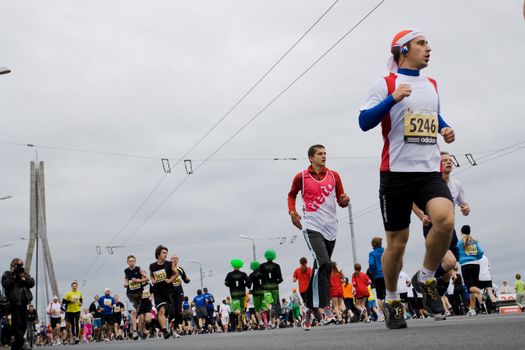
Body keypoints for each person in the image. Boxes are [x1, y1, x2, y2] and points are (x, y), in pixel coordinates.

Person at [359, 29, 455, 329]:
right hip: (396, 174)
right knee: (397, 244)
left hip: (427, 171)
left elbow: (431, 114)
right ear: (402, 50)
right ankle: (392, 300)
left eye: (428, 42)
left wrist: (445, 128)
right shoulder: (385, 83)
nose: (428, 48)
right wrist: (392, 98)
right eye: (422, 43)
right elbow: (364, 122)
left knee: (445, 220)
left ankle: (426, 279)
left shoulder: (432, 84)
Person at [287, 144, 350, 330]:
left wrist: (345, 201)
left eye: (325, 153)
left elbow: (341, 200)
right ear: (311, 158)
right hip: (311, 226)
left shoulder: (334, 176)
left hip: (330, 227)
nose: (324, 156)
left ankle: (308, 308)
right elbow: (291, 195)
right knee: (324, 263)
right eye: (320, 154)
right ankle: (325, 307)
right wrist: (292, 212)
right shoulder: (302, 177)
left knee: (320, 266)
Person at [413, 151, 470, 308]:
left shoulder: (456, 184)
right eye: (444, 160)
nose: (448, 162)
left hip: (450, 229)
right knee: (450, 262)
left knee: (448, 271)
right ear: (436, 164)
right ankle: (422, 278)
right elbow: (412, 201)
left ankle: (434, 301)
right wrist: (421, 215)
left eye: (450, 160)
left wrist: (466, 208)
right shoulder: (429, 185)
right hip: (433, 226)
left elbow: (463, 204)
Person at [2, 258, 35, 350]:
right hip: (13, 303)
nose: (20, 267)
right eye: (18, 265)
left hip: (24, 303)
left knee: (24, 324)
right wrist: (15, 277)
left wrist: (22, 277)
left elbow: (32, 283)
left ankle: (17, 345)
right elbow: (5, 284)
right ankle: (21, 343)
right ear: (12, 266)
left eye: (21, 265)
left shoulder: (23, 274)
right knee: (17, 324)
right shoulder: (7, 274)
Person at [149, 244, 178, 339]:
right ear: (158, 254)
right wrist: (153, 280)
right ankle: (165, 331)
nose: (166, 254)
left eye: (166, 253)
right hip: (158, 291)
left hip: (168, 291)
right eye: (164, 253)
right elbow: (151, 276)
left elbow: (176, 273)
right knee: (161, 310)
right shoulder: (152, 266)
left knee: (167, 312)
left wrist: (170, 279)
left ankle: (165, 325)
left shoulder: (169, 264)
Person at [457, 225, 484, 316]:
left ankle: (481, 291)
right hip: (476, 265)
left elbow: (456, 252)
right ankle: (472, 309)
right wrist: (476, 257)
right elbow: (481, 251)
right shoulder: (475, 242)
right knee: (473, 289)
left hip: (465, 265)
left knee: (469, 287)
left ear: (461, 232)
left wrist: (460, 258)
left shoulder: (460, 243)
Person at [123, 254, 149, 340]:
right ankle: (134, 331)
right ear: (127, 262)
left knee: (141, 316)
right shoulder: (126, 271)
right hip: (131, 295)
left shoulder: (139, 269)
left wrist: (138, 280)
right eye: (130, 261)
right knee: (133, 312)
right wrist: (126, 283)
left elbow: (147, 278)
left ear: (135, 261)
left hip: (140, 295)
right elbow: (126, 278)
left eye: (133, 261)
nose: (131, 262)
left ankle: (142, 331)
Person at [259, 250, 283, 329]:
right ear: (274, 256)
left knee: (268, 304)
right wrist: (276, 283)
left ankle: (268, 322)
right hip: (274, 287)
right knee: (275, 304)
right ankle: (274, 321)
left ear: (266, 256)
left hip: (266, 288)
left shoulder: (261, 266)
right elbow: (280, 278)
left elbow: (259, 277)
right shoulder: (277, 266)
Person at [224, 259, 250, 331]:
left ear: (233, 265)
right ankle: (242, 324)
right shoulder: (243, 274)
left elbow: (226, 283)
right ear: (240, 266)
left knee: (236, 310)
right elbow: (248, 282)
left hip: (234, 294)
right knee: (242, 310)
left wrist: (231, 286)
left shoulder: (229, 274)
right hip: (242, 293)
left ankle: (240, 325)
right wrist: (246, 285)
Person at [170, 254, 190, 334]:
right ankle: (170, 323)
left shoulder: (180, 269)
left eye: (176, 258)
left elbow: (185, 279)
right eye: (173, 258)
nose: (175, 260)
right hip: (170, 290)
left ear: (178, 260)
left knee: (178, 311)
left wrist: (188, 280)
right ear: (171, 260)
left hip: (179, 290)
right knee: (172, 311)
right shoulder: (168, 268)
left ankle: (175, 328)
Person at [368, 237, 385, 312]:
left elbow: (371, 264)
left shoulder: (372, 253)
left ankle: (381, 314)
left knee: (379, 296)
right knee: (388, 294)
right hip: (387, 274)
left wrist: (372, 271)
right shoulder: (385, 251)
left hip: (378, 275)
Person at [247, 260, 265, 329]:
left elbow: (249, 285)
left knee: (257, 310)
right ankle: (267, 321)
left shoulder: (251, 275)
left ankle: (261, 323)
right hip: (264, 292)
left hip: (256, 293)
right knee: (264, 307)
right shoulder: (263, 273)